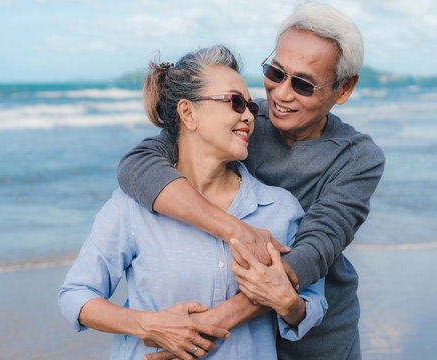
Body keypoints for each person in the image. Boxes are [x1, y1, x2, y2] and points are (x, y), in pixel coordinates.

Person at [117, 3, 385, 360]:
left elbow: (315, 250)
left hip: (312, 341)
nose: (281, 93)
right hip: (237, 345)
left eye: (304, 84)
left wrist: (204, 330)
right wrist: (234, 230)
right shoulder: (241, 119)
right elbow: (137, 165)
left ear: (344, 89)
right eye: (276, 72)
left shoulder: (358, 157)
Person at [59, 45, 327, 360]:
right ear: (188, 113)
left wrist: (288, 304)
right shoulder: (130, 207)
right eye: (235, 102)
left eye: (251, 108)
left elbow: (313, 305)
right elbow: (76, 295)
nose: (248, 116)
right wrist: (148, 325)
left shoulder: (279, 209)